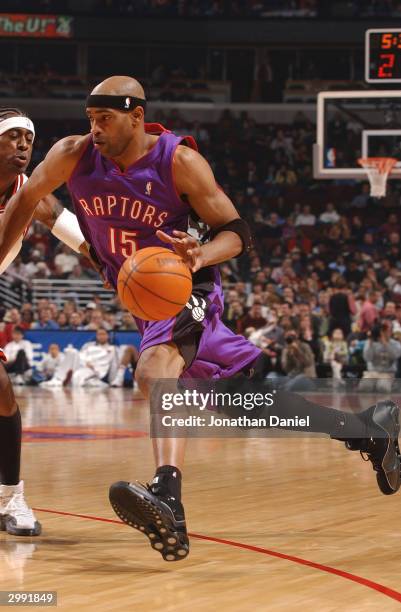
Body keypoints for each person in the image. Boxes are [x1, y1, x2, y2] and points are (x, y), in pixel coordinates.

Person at [0, 77, 399, 562]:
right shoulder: (73, 153)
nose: (95, 129)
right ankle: (367, 430)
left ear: (136, 116)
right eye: (90, 119)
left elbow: (238, 232)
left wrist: (198, 255)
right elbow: (26, 201)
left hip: (187, 285)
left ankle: (168, 499)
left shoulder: (178, 161)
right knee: (243, 404)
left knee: (153, 374)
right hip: (144, 300)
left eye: (104, 119)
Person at [0, 107, 93, 537]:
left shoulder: (30, 190)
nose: (22, 145)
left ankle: (10, 497)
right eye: (12, 136)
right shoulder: (27, 195)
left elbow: (69, 229)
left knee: (1, 392)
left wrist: (116, 261)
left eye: (28, 139)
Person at [41, 328, 117, 388]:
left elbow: (114, 366)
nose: (101, 336)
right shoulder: (88, 345)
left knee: (77, 376)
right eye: (99, 334)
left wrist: (112, 381)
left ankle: (65, 381)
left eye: (103, 334)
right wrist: (85, 362)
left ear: (108, 336)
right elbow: (81, 355)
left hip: (94, 369)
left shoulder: (112, 349)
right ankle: (57, 379)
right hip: (83, 364)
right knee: (72, 351)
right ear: (96, 336)